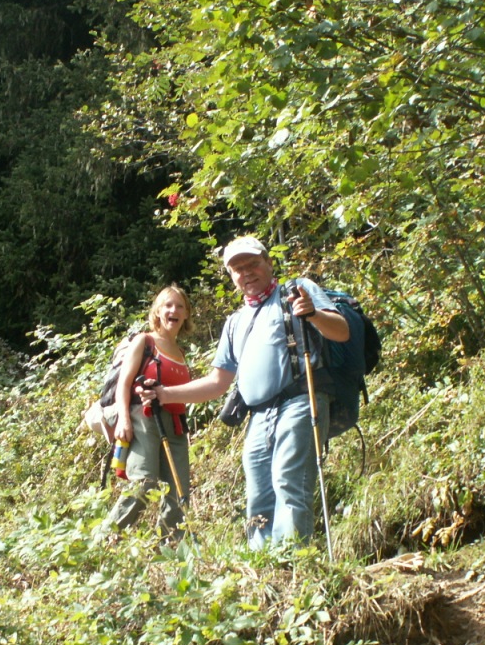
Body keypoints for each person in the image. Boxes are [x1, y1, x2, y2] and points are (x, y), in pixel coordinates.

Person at [140, 235, 349, 550]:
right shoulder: (235, 322)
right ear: (232, 276)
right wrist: (164, 394)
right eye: (238, 269)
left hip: (299, 400)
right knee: (258, 493)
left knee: (289, 481)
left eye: (253, 263)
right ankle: (264, 564)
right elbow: (217, 382)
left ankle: (292, 560)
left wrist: (313, 315)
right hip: (258, 415)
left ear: (268, 263)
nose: (247, 272)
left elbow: (342, 332)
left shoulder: (295, 292)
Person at [104, 285, 195, 541]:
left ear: (186, 314)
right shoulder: (145, 342)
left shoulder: (180, 353)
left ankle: (169, 547)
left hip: (175, 425)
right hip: (143, 418)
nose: (173, 310)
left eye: (179, 306)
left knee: (179, 491)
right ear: (157, 311)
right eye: (168, 305)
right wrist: (124, 419)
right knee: (144, 482)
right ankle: (105, 540)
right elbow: (124, 384)